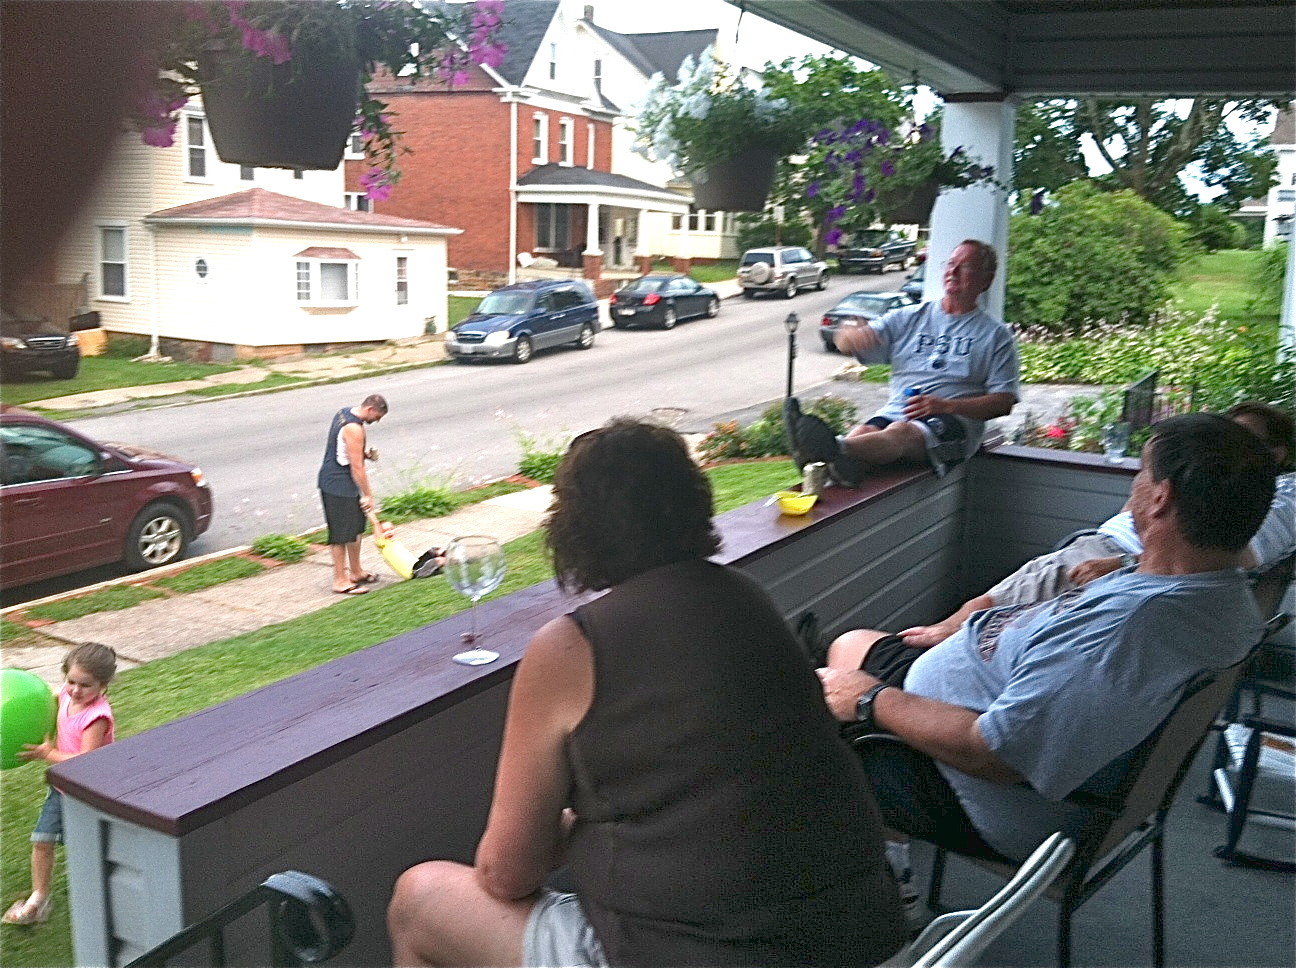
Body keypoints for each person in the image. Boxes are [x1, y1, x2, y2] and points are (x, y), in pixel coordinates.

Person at [388, 419, 907, 968]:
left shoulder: (570, 648)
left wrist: (568, 828)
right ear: (693, 503)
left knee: (419, 899)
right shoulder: (745, 598)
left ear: (572, 529)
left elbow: (506, 873)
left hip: (707, 953)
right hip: (859, 934)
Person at [816, 413, 1276, 873]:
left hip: (983, 794)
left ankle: (873, 886)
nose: (1133, 485)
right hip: (995, 718)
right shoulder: (1222, 593)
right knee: (854, 644)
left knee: (807, 727)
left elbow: (994, 754)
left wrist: (870, 699)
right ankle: (889, 857)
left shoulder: (1123, 633)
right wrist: (1132, 563)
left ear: (1162, 496)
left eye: (1141, 473)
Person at [901, 401, 1296, 647]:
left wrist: (1123, 565)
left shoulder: (1277, 498)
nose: (1229, 446)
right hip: (1121, 549)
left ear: (1278, 454)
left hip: (1116, 556)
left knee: (980, 612)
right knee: (989, 606)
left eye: (1244, 439)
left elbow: (1238, 557)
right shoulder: (1250, 492)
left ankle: (929, 644)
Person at [785, 239, 1020, 485]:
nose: (953, 271)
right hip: (898, 411)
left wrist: (945, 406)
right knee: (864, 433)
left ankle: (826, 450)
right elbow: (846, 340)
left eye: (965, 266)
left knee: (902, 432)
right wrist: (850, 337)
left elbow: (1003, 402)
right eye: (951, 264)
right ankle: (834, 465)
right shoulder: (909, 318)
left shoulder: (995, 336)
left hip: (954, 425)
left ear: (986, 280)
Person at [3, 643, 117, 926]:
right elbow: (33, 701)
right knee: (42, 840)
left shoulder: (96, 717)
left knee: (91, 847)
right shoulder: (65, 697)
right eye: (70, 681)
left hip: (91, 792)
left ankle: (105, 897)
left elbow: (85, 761)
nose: (75, 690)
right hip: (63, 789)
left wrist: (47, 754)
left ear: (103, 685)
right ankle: (39, 899)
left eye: (85, 685)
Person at [317, 394, 387, 595]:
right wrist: (367, 495)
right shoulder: (354, 428)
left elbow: (346, 449)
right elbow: (357, 467)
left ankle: (356, 572)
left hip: (345, 482)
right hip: (336, 484)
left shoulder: (344, 412)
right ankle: (340, 580)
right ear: (371, 410)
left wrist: (365, 453)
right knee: (340, 534)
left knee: (355, 529)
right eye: (378, 417)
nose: (376, 421)